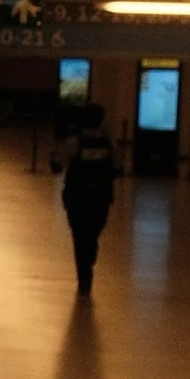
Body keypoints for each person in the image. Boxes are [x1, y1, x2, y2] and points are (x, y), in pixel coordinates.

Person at [54, 98, 119, 294]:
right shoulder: (110, 144)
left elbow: (57, 166)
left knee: (79, 234)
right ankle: (90, 252)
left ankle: (84, 275)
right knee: (93, 232)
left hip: (77, 197)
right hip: (101, 197)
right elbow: (119, 168)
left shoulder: (73, 142)